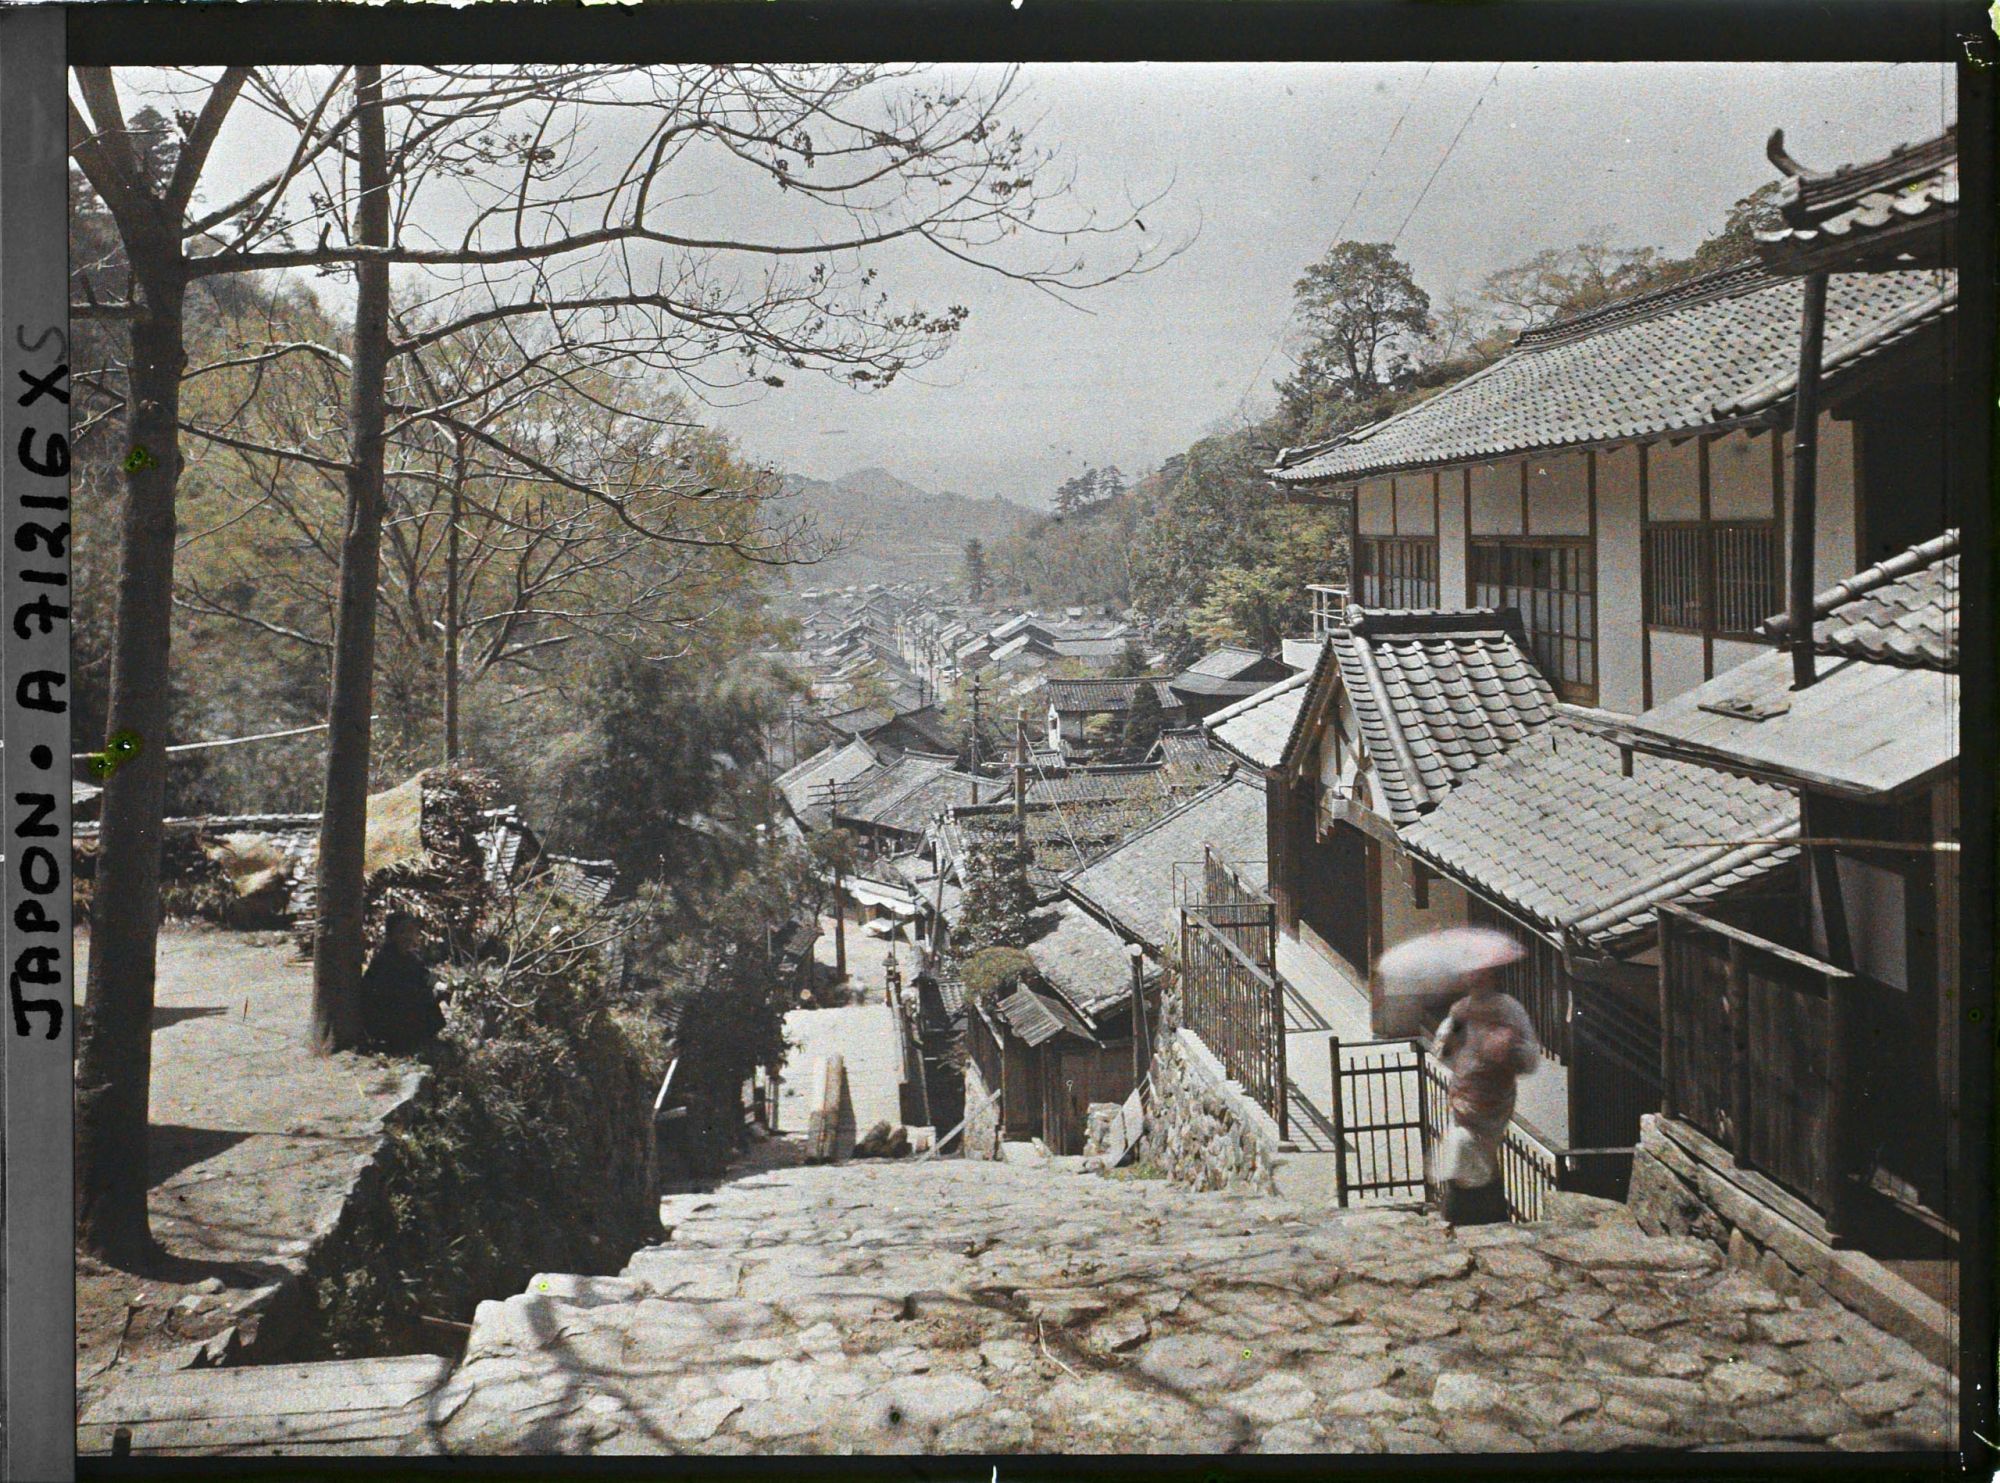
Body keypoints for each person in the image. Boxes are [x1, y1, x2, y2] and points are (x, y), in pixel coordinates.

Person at [1432, 965, 1539, 1227]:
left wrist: (1508, 1047)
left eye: (1483, 975)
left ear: (1493, 978)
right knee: (1468, 1154)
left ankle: (1472, 1217)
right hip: (1465, 1096)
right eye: (1472, 974)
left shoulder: (1509, 1010)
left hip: (1493, 1099)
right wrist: (1449, 1042)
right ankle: (1468, 1216)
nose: (1476, 980)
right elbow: (1442, 1050)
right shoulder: (1461, 1010)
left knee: (1479, 1157)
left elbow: (1529, 1059)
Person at [358, 912, 444, 1056]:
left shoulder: (412, 958)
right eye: (402, 932)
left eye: (411, 931)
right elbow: (385, 993)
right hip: (388, 1017)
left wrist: (435, 984)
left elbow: (423, 976)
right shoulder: (384, 960)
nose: (408, 936)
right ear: (391, 935)